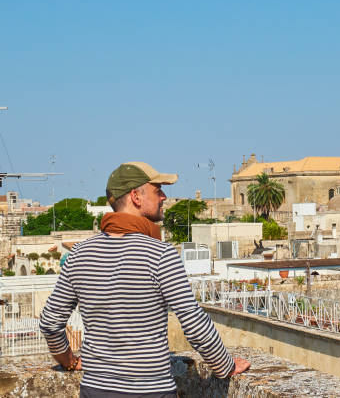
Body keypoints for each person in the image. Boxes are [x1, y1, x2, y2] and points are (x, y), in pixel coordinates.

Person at [40, 162, 250, 397]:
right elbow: (193, 322)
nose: (164, 197)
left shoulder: (79, 254)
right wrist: (225, 365)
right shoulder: (160, 254)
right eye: (157, 190)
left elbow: (49, 322)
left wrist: (68, 361)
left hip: (95, 390)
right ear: (135, 197)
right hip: (150, 392)